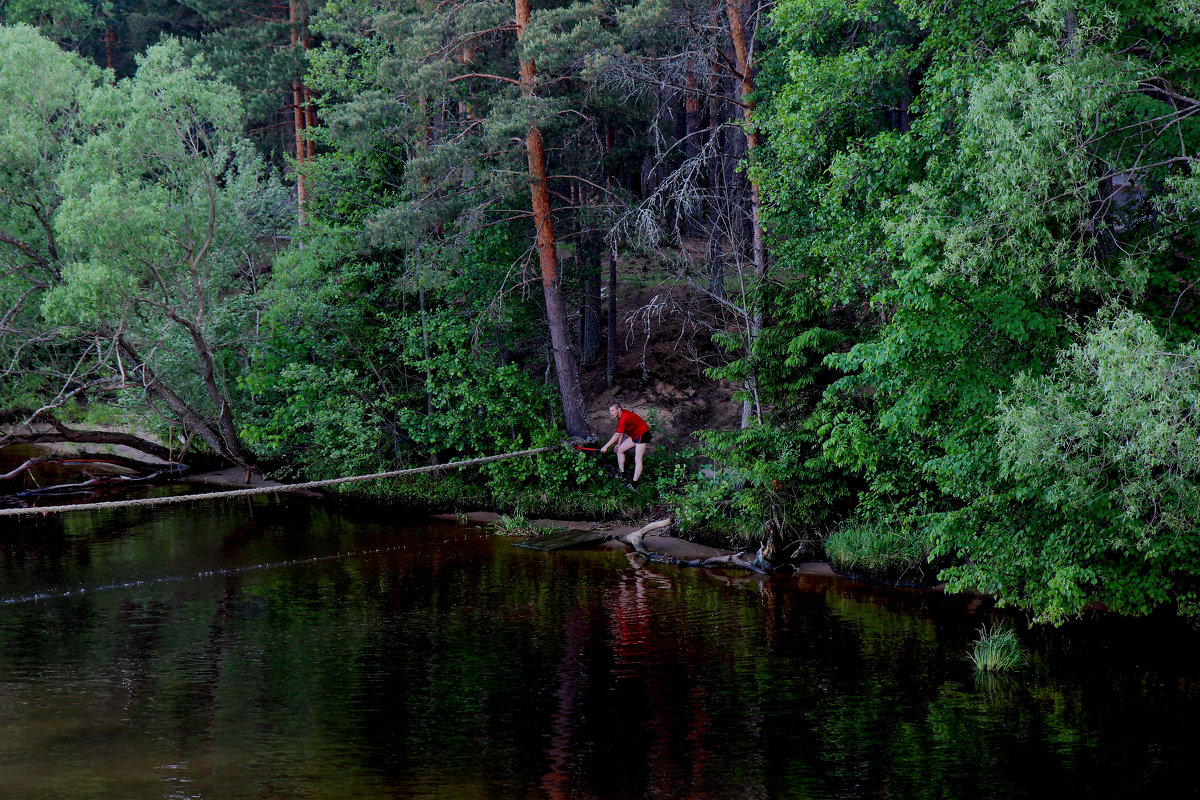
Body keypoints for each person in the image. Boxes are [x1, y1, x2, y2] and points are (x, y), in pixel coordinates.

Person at [600, 402, 649, 487]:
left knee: (638, 459)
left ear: (619, 410)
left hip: (643, 434)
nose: (611, 413)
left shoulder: (624, 417)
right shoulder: (620, 416)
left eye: (612, 410)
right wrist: (619, 443)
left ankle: (634, 485)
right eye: (610, 411)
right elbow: (622, 430)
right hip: (635, 435)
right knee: (619, 450)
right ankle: (622, 475)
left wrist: (605, 447)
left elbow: (616, 435)